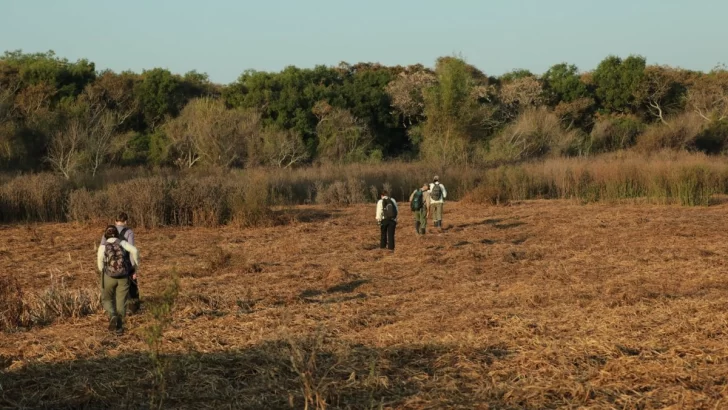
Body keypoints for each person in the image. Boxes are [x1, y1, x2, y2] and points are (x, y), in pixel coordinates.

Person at [97, 225, 140, 334]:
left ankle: (112, 315)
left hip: (108, 276)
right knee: (122, 301)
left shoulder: (103, 246)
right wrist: (135, 266)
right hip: (123, 276)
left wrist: (104, 271)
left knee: (107, 299)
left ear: (105, 235)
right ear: (117, 234)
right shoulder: (122, 243)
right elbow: (134, 250)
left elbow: (99, 261)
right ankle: (120, 327)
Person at [100, 212, 139, 313]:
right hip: (125, 265)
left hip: (109, 266)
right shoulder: (129, 232)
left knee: (109, 292)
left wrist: (103, 268)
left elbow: (102, 249)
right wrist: (133, 269)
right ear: (126, 221)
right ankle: (131, 309)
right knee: (129, 288)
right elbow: (132, 250)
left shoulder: (107, 232)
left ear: (115, 221)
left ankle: (112, 311)